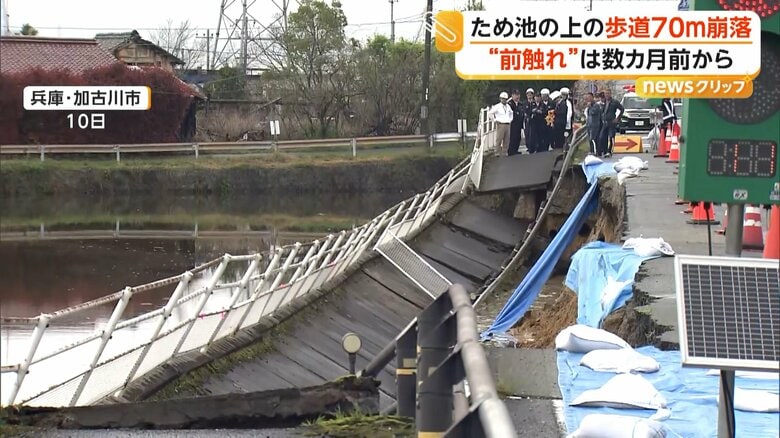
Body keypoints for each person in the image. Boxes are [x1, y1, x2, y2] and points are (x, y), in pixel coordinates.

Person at [599, 89, 624, 157]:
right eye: (605, 93)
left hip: (612, 122)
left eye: (608, 93)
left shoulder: (614, 102)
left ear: (610, 94)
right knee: (602, 137)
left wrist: (618, 118)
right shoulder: (604, 102)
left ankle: (609, 151)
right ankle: (604, 150)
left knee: (611, 137)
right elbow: (602, 111)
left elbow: (622, 109)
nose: (606, 95)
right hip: (605, 122)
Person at [488, 91, 513, 156]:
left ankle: (505, 152)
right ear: (500, 99)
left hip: (507, 123)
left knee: (507, 139)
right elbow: (490, 113)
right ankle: (497, 152)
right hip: (501, 123)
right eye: (502, 99)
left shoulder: (508, 106)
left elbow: (511, 113)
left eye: (505, 99)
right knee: (499, 138)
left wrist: (510, 120)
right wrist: (495, 120)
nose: (504, 100)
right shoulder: (497, 106)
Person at [508, 89, 525, 156]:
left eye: (518, 95)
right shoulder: (510, 104)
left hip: (519, 123)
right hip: (513, 123)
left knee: (518, 137)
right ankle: (511, 151)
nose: (517, 96)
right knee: (513, 137)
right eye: (515, 95)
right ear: (512, 95)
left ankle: (516, 150)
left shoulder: (520, 104)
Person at [524, 88, 537, 152]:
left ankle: (533, 146)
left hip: (534, 121)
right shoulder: (525, 103)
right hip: (527, 120)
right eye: (528, 95)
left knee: (533, 133)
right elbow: (525, 111)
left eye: (530, 95)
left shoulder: (534, 103)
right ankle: (528, 146)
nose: (529, 96)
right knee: (527, 133)